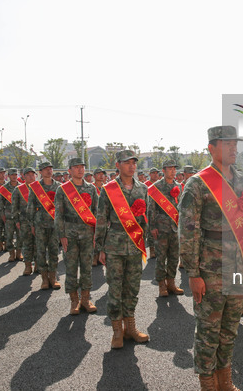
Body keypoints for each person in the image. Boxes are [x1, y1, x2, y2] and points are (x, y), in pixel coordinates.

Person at [179, 125, 243, 390]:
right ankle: (208, 382)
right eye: (227, 144)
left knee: (229, 329)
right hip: (210, 270)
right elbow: (188, 232)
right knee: (209, 331)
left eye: (236, 143)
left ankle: (225, 379)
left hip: (237, 267)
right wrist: (193, 273)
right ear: (212, 148)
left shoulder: (242, 180)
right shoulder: (197, 184)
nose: (234, 148)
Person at [95, 149, 150, 348]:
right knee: (115, 289)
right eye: (127, 162)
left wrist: (146, 242)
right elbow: (101, 219)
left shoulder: (142, 188)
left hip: (135, 246)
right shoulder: (109, 189)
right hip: (114, 246)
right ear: (118, 165)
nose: (132, 166)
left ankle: (131, 328)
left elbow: (145, 218)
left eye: (134, 162)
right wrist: (100, 247)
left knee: (132, 288)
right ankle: (117, 331)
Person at [54, 158, 99, 315]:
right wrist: (62, 235)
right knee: (71, 268)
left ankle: (86, 299)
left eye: (82, 167)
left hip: (87, 233)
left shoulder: (91, 188)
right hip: (70, 234)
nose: (80, 170)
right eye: (76, 167)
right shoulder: (63, 189)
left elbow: (96, 212)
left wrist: (96, 233)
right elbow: (58, 214)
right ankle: (74, 300)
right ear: (70, 170)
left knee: (87, 267)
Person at [148, 159, 184, 296]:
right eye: (170, 168)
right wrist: (152, 227)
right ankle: (161, 285)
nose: (173, 171)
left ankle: (171, 283)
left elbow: (180, 206)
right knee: (161, 257)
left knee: (174, 257)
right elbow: (151, 208)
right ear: (163, 171)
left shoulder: (179, 186)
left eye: (174, 168)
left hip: (175, 227)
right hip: (161, 227)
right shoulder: (156, 187)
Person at [27, 161, 62, 290]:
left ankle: (53, 277)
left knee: (54, 251)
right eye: (45, 169)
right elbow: (31, 207)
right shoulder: (35, 187)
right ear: (40, 172)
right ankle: (44, 279)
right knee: (41, 252)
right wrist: (31, 224)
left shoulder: (60, 186)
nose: (49, 171)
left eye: (50, 169)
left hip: (55, 224)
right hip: (40, 224)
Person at [13, 167, 38, 275]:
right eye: (28, 174)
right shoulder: (19, 189)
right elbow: (14, 207)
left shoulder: (40, 188)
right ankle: (28, 266)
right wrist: (17, 220)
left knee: (39, 244)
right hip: (25, 221)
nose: (31, 176)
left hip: (39, 221)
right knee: (27, 244)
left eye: (33, 174)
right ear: (23, 176)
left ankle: (38, 265)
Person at [0, 168, 21, 262]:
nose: (14, 176)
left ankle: (19, 253)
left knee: (20, 236)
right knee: (9, 236)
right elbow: (0, 203)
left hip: (19, 216)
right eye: (12, 175)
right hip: (9, 216)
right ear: (9, 176)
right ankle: (12, 254)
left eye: (15, 174)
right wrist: (2, 215)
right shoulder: (4, 188)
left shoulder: (22, 187)